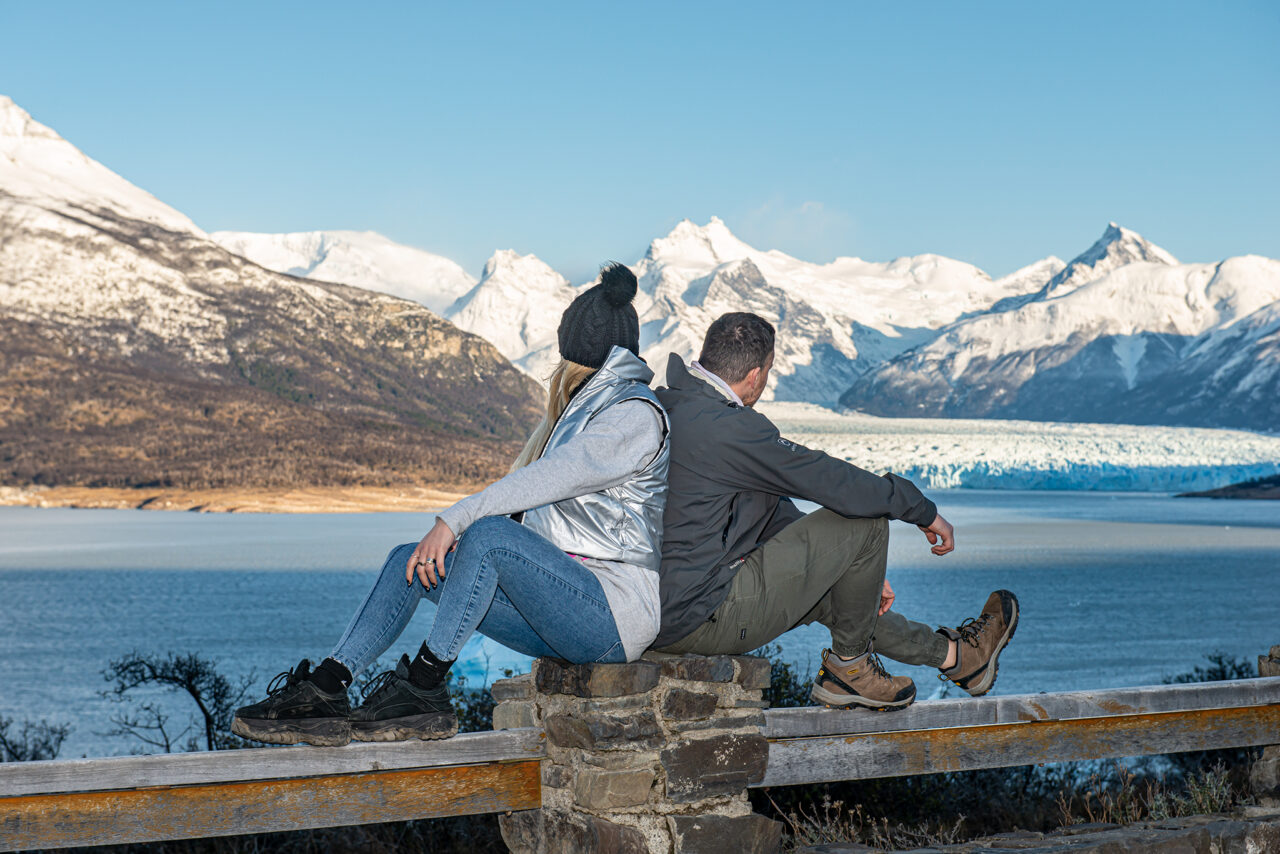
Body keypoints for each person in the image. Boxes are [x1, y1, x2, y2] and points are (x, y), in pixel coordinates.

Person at [232, 263, 669, 746]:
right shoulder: (583, 411)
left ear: (576, 359)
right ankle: (327, 689)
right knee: (411, 561)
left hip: (610, 620)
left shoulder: (632, 415)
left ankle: (424, 686)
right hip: (558, 613)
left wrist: (453, 519)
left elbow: (549, 480)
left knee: (488, 536)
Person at [650, 312, 1018, 709]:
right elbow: (831, 480)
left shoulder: (670, 405)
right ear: (756, 375)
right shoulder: (729, 427)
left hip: (660, 609)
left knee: (841, 594)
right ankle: (850, 671)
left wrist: (851, 567)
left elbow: (765, 510)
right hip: (699, 614)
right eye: (769, 372)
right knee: (866, 521)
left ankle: (959, 659)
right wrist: (920, 509)